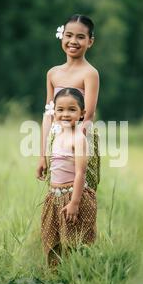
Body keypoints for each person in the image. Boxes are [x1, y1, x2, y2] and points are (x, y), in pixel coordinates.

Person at [36, 14, 100, 192]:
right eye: (69, 35)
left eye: (80, 37)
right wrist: (43, 154)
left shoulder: (90, 73)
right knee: (56, 194)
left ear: (90, 41)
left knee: (78, 197)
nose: (73, 41)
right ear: (62, 36)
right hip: (55, 143)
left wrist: (72, 143)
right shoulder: (53, 73)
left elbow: (88, 114)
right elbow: (49, 114)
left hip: (78, 143)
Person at [40, 88, 97, 267]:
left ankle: (79, 277)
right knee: (53, 240)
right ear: (54, 112)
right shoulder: (56, 135)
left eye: (72, 110)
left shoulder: (78, 139)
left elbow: (80, 172)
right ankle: (56, 278)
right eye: (60, 109)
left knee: (76, 242)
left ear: (82, 113)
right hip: (54, 196)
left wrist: (74, 202)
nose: (65, 114)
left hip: (72, 195)